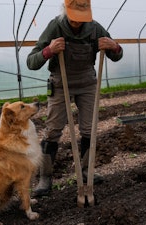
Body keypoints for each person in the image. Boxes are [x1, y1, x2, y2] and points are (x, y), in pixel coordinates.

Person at [26, 0, 123, 197]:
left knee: (89, 129)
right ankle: (45, 178)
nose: (78, 22)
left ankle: (87, 172)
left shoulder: (95, 28)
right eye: (74, 18)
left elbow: (117, 56)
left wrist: (114, 46)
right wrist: (49, 50)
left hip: (87, 83)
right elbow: (31, 62)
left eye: (82, 18)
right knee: (52, 131)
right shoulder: (56, 26)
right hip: (61, 83)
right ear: (66, 11)